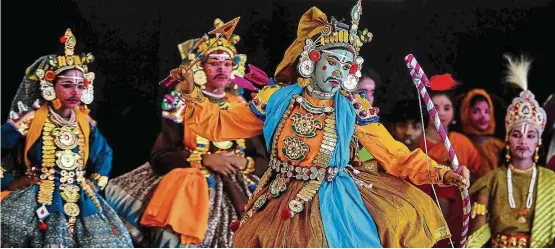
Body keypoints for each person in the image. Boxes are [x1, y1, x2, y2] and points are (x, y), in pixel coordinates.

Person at [170, 1, 470, 247]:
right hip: (279, 198)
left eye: (345, 65)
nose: (338, 71)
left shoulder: (352, 106)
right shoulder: (277, 98)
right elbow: (222, 125)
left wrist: (442, 173)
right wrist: (191, 92)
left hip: (336, 202)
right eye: (332, 61)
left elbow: (393, 154)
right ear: (311, 60)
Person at [105, 18, 266, 248]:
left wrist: (244, 163)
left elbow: (262, 158)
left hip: (238, 183)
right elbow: (161, 156)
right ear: (199, 67)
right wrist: (205, 159)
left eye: (227, 63)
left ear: (235, 68)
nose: (221, 68)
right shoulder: (180, 104)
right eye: (213, 62)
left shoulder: (241, 106)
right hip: (192, 183)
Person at [0, 29, 133, 247]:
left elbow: (104, 154)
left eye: (80, 86)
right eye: (67, 85)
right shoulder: (31, 120)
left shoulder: (85, 122)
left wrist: (94, 183)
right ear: (51, 86)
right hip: (39, 195)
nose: (75, 92)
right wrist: (12, 183)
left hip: (80, 196)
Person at [468, 54, 555, 248]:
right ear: (507, 139)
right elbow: (476, 235)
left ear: (538, 142)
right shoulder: (491, 181)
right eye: (517, 134)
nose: (523, 140)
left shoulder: (552, 182)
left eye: (530, 136)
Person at [417, 74, 482, 247]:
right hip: (424, 215)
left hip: (458, 216)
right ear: (426, 111)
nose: (441, 113)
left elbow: (478, 177)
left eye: (446, 107)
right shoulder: (416, 143)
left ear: (454, 112)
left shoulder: (462, 143)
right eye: (435, 107)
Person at [460, 89, 505, 179]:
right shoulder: (460, 144)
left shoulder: (499, 146)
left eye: (487, 111)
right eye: (476, 111)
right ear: (466, 113)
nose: (483, 116)